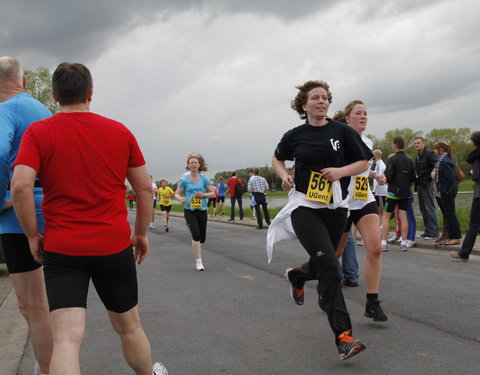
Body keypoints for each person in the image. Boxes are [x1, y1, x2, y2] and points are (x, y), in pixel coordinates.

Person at [10, 62, 167, 375]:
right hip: (112, 245)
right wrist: (140, 234)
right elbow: (145, 190)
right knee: (129, 326)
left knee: (67, 338)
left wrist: (31, 235)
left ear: (55, 96)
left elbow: (21, 186)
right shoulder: (119, 131)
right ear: (90, 93)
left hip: (63, 248)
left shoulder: (38, 133)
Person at [267, 80, 372, 360]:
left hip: (337, 207)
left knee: (324, 261)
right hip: (305, 205)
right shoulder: (296, 135)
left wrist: (340, 172)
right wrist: (283, 175)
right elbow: (277, 158)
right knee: (330, 267)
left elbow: (364, 162)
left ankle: (297, 275)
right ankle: (344, 337)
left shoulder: (343, 131)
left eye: (325, 98)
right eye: (315, 98)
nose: (321, 101)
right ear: (304, 105)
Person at [0, 56, 53, 375]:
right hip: (49, 206)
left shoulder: (5, 109)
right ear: (24, 81)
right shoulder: (42, 110)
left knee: (32, 305)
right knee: (49, 301)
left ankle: (47, 369)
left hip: (19, 214)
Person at [333, 100, 387, 322]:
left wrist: (376, 176)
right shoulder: (337, 140)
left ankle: (372, 303)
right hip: (342, 202)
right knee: (334, 254)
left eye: (366, 113)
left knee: (375, 248)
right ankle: (319, 285)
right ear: (348, 118)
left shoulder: (367, 142)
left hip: (364, 199)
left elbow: (363, 171)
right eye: (358, 113)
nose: (363, 116)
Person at [174, 153, 214, 271]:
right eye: (191, 163)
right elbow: (176, 193)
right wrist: (180, 198)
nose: (193, 164)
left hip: (202, 210)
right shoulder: (185, 180)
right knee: (196, 234)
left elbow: (212, 193)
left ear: (199, 165)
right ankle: (198, 261)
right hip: (189, 210)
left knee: (202, 238)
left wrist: (204, 194)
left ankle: (197, 245)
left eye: (195, 162)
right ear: (188, 166)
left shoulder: (204, 179)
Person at [381, 136, 416, 251]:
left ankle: (384, 243)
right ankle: (404, 243)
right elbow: (413, 177)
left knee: (386, 216)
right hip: (405, 192)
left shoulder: (392, 159)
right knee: (403, 216)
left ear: (395, 145)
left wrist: (387, 180)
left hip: (392, 192)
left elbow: (388, 176)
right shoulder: (409, 160)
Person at [451, 131, 480, 261]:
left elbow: (475, 176)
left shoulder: (476, 156)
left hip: (479, 194)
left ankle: (464, 253)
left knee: (474, 225)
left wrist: (472, 171)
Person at [432, 141, 461, 246]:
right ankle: (451, 236)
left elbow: (450, 178)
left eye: (435, 148)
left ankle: (455, 237)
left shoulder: (444, 161)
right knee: (448, 214)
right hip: (446, 190)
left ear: (440, 149)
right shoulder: (443, 160)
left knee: (450, 214)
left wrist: (443, 190)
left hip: (447, 191)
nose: (434, 150)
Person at [413, 137, 439, 239]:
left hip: (427, 184)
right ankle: (427, 231)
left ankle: (434, 232)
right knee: (423, 209)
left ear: (424, 143)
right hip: (420, 185)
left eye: (418, 143)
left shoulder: (429, 154)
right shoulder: (418, 156)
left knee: (430, 208)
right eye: (415, 143)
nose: (416, 145)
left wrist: (429, 178)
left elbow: (437, 166)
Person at [372, 150, 387, 217]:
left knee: (381, 208)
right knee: (377, 208)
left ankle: (382, 223)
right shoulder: (378, 164)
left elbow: (380, 177)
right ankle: (380, 223)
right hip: (377, 191)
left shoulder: (380, 165)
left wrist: (375, 190)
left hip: (380, 191)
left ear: (375, 156)